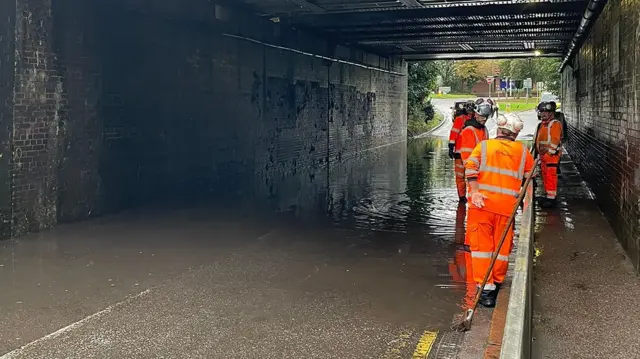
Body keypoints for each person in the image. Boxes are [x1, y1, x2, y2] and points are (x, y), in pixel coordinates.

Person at [464, 113, 535, 307]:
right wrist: (527, 205)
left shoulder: (484, 146)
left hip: (482, 206)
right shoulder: (522, 151)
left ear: (499, 130)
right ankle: (495, 282)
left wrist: (475, 192)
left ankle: (485, 287)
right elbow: (530, 179)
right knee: (502, 248)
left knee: (481, 247)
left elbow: (470, 168)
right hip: (507, 209)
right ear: (515, 134)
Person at [534, 101, 562, 208]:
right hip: (544, 156)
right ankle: (548, 195)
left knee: (550, 176)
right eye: (541, 112)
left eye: (545, 112)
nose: (543, 114)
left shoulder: (554, 124)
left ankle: (551, 199)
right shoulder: (543, 125)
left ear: (551, 113)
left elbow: (555, 140)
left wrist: (549, 153)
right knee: (545, 176)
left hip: (551, 157)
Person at [449, 101, 476, 201]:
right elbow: (454, 132)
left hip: (461, 154)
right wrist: (451, 146)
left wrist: (451, 146)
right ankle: (465, 197)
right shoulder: (475, 121)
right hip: (467, 155)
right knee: (468, 176)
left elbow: (454, 133)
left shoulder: (461, 119)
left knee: (462, 177)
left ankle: (463, 197)